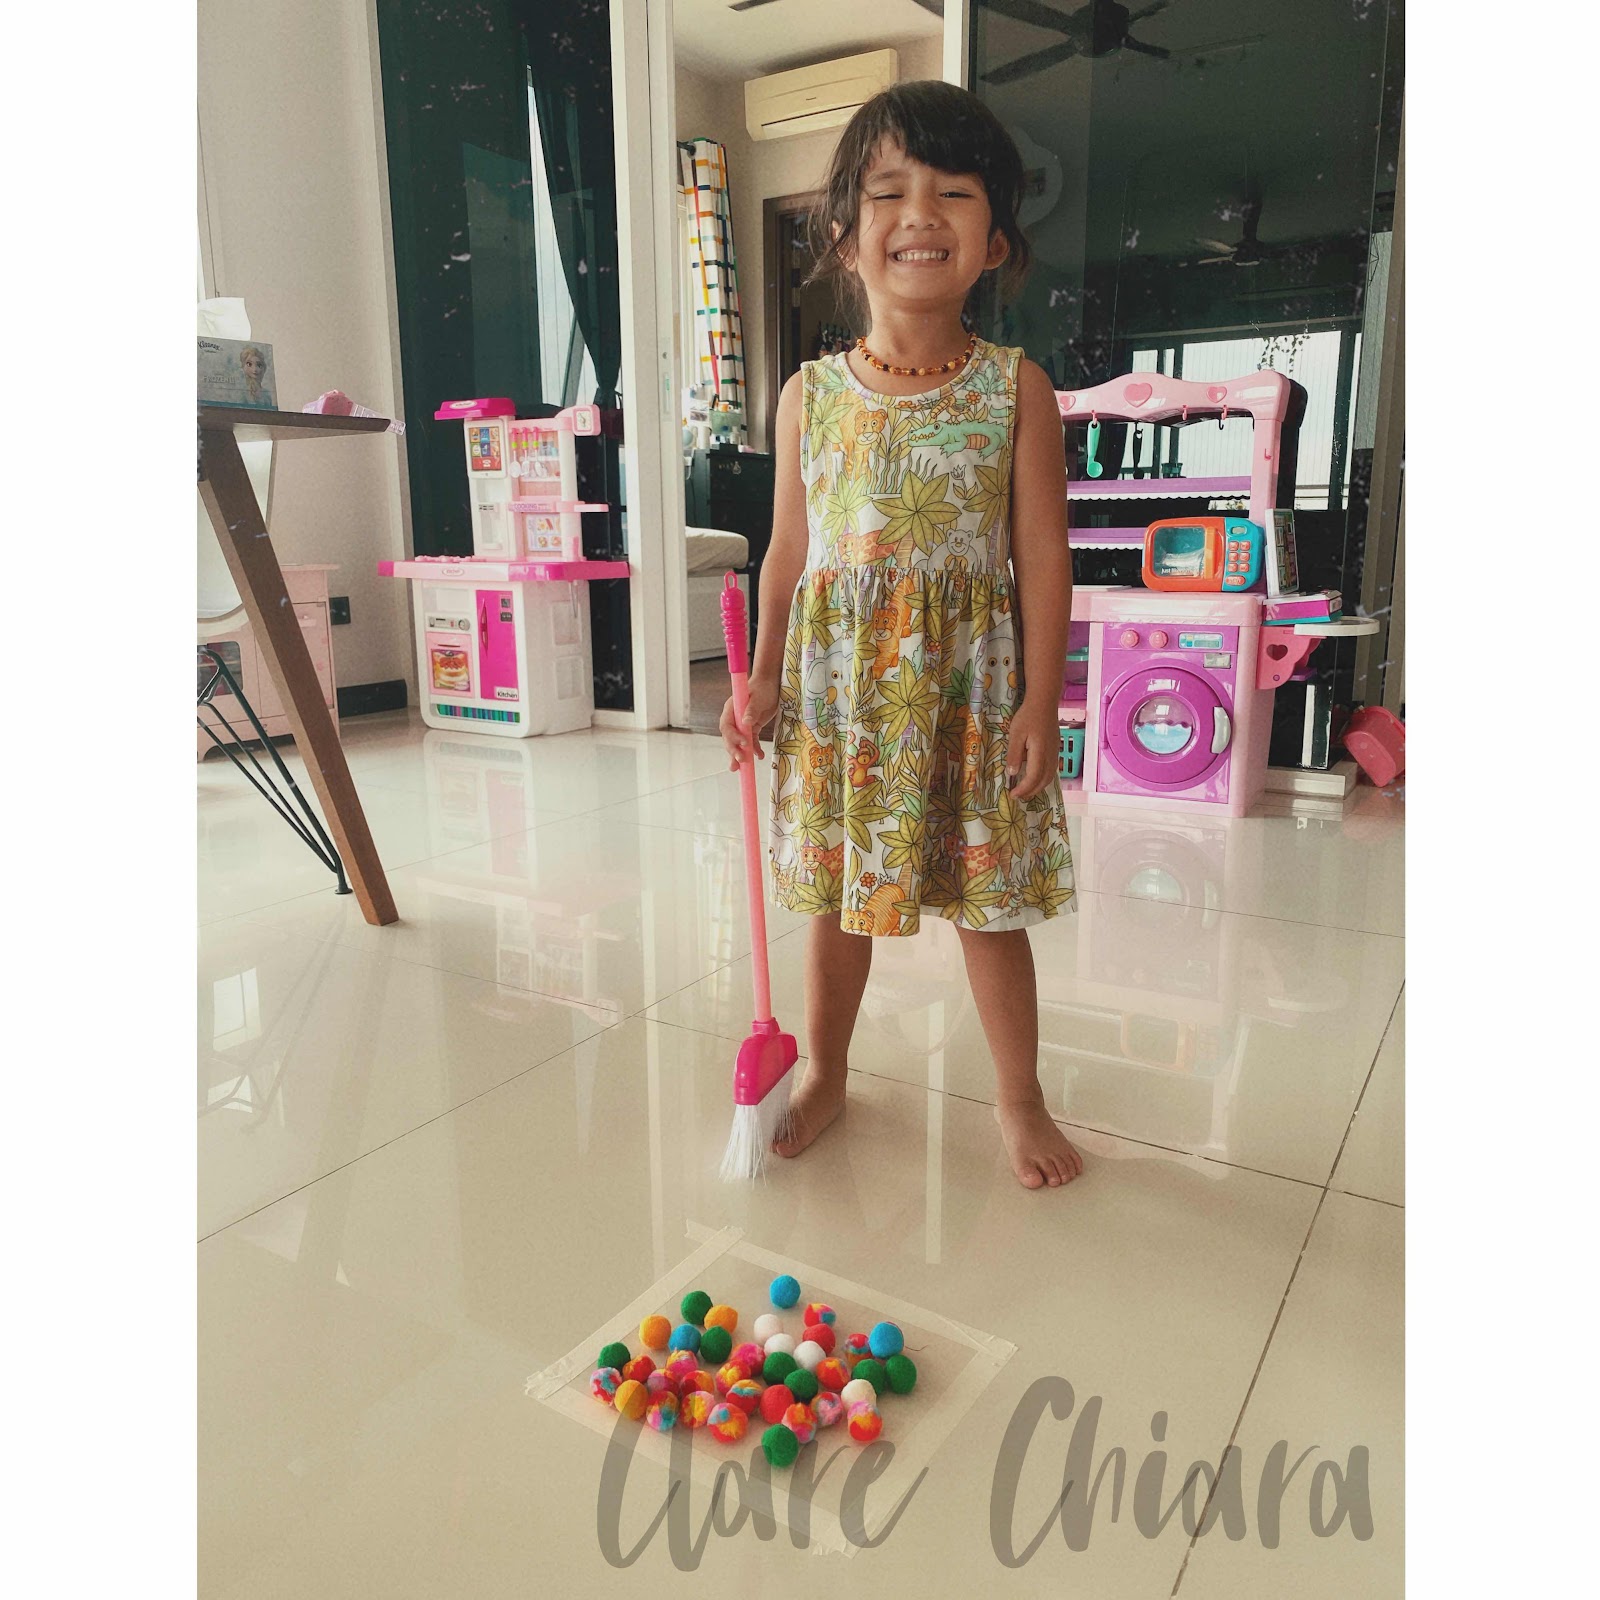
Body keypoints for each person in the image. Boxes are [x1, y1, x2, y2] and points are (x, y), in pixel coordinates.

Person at [719, 80, 1082, 1190]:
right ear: (845, 235)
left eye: (954, 192)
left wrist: (1039, 701)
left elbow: (1044, 559)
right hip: (844, 700)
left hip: (971, 696)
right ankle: (827, 1071)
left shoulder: (1015, 390)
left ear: (995, 241)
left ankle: (1019, 1097)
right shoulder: (808, 396)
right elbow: (787, 553)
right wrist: (763, 675)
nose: (920, 212)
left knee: (988, 905)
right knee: (840, 899)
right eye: (888, 192)